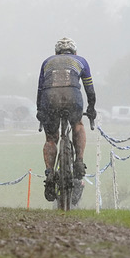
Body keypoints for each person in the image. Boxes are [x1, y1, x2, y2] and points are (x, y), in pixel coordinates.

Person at [37, 37, 96, 202]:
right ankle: (79, 161)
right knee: (77, 124)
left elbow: (40, 89)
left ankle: (49, 173)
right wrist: (91, 108)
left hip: (49, 98)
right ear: (75, 52)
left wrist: (39, 110)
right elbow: (89, 89)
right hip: (73, 97)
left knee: (50, 138)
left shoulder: (47, 62)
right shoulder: (81, 61)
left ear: (55, 53)